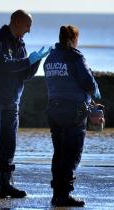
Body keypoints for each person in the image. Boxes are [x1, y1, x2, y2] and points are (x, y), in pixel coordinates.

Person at [0, 9, 51, 200]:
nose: (29, 31)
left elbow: (23, 74)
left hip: (12, 100)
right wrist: (28, 60)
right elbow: (4, 66)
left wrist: (35, 62)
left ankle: (5, 184)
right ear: (17, 22)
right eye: (28, 26)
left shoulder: (21, 43)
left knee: (9, 143)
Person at [43, 25, 101, 207]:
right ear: (75, 39)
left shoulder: (50, 57)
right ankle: (64, 195)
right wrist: (95, 93)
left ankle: (56, 193)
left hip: (53, 109)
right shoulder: (76, 57)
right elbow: (88, 83)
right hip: (73, 111)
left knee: (59, 152)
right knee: (72, 153)